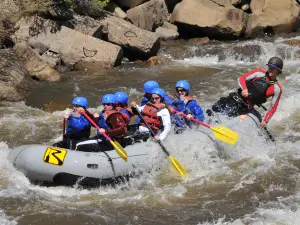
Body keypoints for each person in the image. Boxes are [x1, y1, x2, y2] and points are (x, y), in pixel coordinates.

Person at [208, 57, 283, 128]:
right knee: (211, 111)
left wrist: (265, 120)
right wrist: (244, 89)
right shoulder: (259, 72)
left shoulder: (277, 89)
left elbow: (273, 108)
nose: (270, 69)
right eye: (269, 67)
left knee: (223, 117)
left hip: (245, 107)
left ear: (278, 70)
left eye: (273, 68)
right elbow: (242, 78)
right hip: (234, 98)